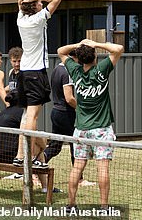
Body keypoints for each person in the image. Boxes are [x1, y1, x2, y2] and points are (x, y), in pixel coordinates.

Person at [57, 39, 124, 208]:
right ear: (95, 57)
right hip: (101, 129)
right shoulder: (101, 69)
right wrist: (97, 44)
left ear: (78, 59)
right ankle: (103, 207)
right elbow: (118, 49)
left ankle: (71, 205)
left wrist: (77, 45)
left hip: (81, 130)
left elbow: (60, 51)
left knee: (77, 167)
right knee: (102, 168)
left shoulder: (75, 71)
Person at [13, 0, 62, 168]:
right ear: (34, 6)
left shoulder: (21, 19)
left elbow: (20, 5)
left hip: (24, 73)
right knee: (32, 117)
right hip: (36, 72)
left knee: (26, 116)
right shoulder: (38, 19)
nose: (41, 2)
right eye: (38, 1)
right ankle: (27, 155)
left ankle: (20, 155)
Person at [43, 51, 95, 187]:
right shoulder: (67, 72)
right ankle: (79, 179)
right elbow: (69, 98)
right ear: (75, 58)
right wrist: (81, 109)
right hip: (66, 114)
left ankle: (36, 167)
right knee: (76, 144)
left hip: (56, 112)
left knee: (55, 146)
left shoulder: (56, 69)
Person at [0, 92, 57, 193]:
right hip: (12, 157)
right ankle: (45, 187)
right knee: (39, 146)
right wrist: (44, 146)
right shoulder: (23, 113)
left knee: (36, 143)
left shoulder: (2, 112)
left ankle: (44, 185)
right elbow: (33, 135)